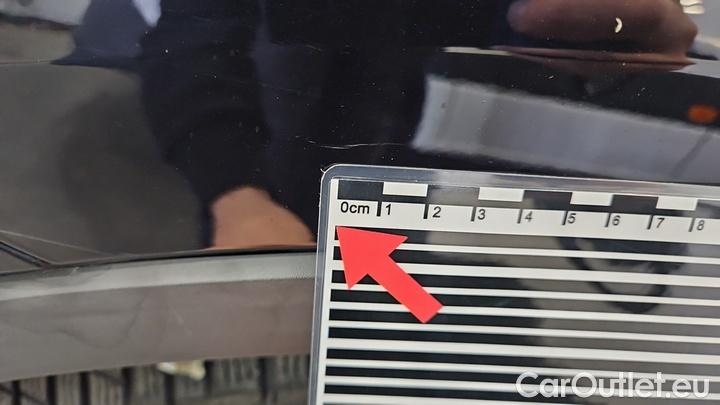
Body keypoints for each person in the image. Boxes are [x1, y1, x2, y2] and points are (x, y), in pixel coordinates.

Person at [140, 0, 698, 250]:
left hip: (392, 140)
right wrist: (237, 200)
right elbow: (190, 44)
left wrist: (623, 48)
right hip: (273, 153)